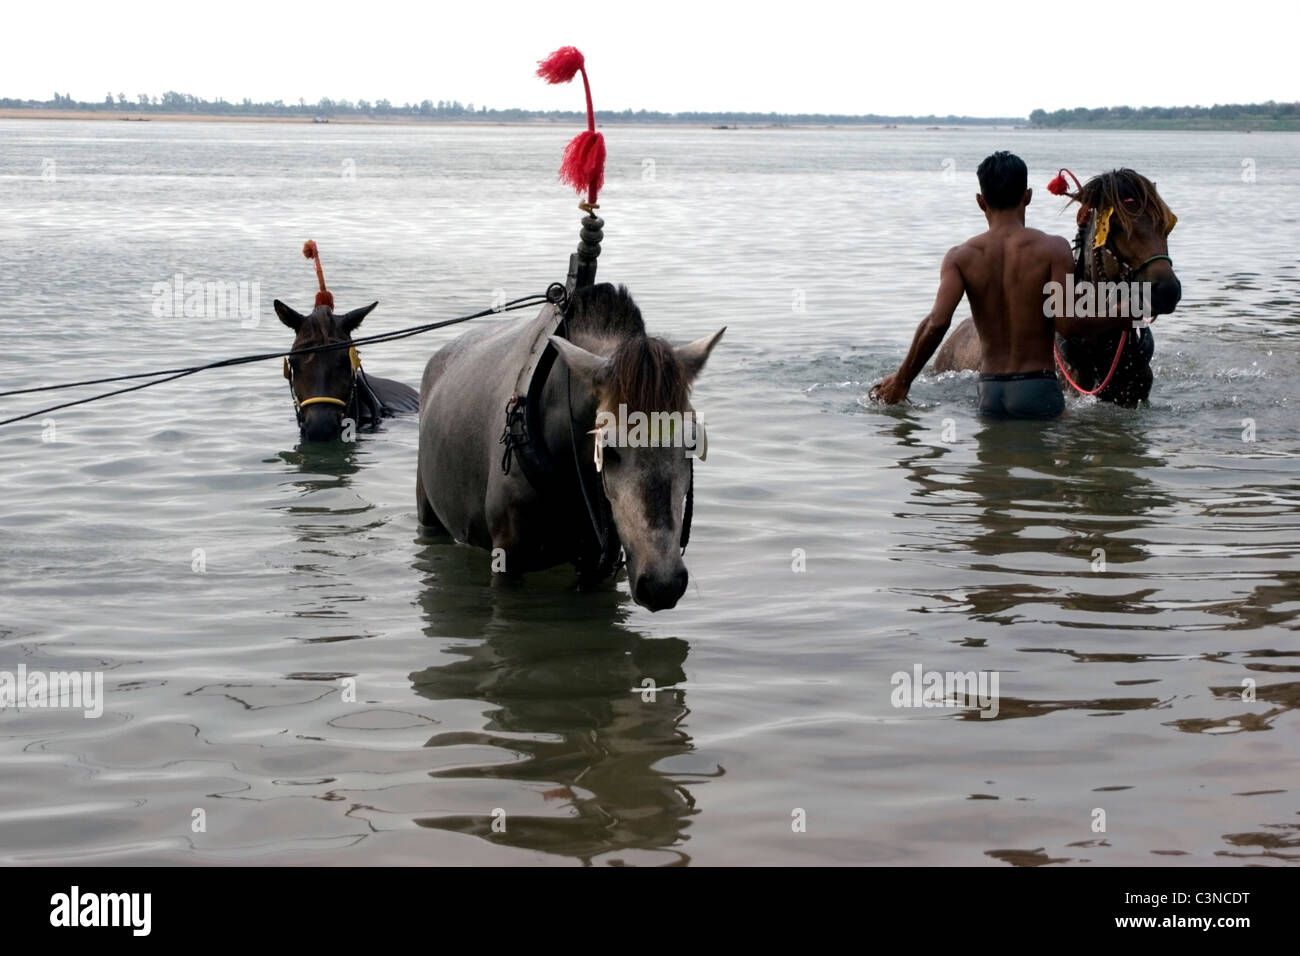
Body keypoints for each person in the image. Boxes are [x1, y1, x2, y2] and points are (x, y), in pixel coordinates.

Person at [869, 151, 1137, 419]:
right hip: (1038, 389)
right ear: (1028, 196)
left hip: (989, 394)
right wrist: (1119, 317)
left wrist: (902, 380)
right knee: (1069, 449)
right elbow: (1066, 324)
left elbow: (937, 323)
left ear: (980, 201)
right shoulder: (1054, 249)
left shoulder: (959, 256)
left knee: (991, 459)